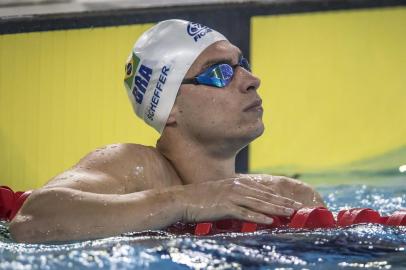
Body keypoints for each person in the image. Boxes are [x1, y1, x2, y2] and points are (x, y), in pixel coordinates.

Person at [9, 19, 325, 244]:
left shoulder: (291, 196)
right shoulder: (135, 168)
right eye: (219, 72)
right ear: (169, 107)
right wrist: (186, 202)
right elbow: (34, 219)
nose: (251, 79)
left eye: (243, 64)